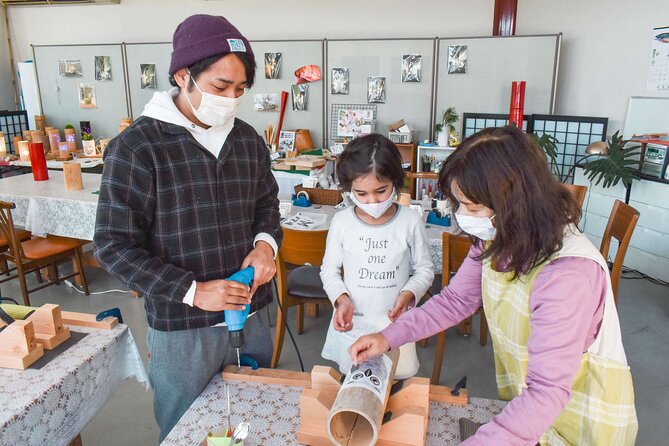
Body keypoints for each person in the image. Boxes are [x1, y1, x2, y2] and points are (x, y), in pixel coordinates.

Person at [349, 126, 638, 445]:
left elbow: (546, 393)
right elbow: (455, 301)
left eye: (472, 208)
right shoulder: (497, 238)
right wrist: (388, 337)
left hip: (581, 420)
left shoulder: (568, 276)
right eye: (459, 204)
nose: (463, 216)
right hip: (531, 413)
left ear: (515, 204)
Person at [94, 15, 281, 440]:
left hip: (251, 313)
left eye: (240, 90)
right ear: (183, 75)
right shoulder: (138, 148)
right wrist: (194, 291)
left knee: (254, 421)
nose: (231, 100)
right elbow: (112, 245)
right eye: (220, 87)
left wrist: (265, 245)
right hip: (182, 327)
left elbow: (267, 205)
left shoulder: (247, 139)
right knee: (186, 428)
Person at [320, 133, 434, 379]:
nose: (372, 201)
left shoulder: (409, 221)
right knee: (355, 385)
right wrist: (342, 299)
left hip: (395, 328)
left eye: (381, 191)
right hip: (354, 326)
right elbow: (328, 271)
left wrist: (409, 293)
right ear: (349, 188)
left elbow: (425, 269)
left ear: (395, 181)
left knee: (397, 384)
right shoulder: (341, 222)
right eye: (361, 194)